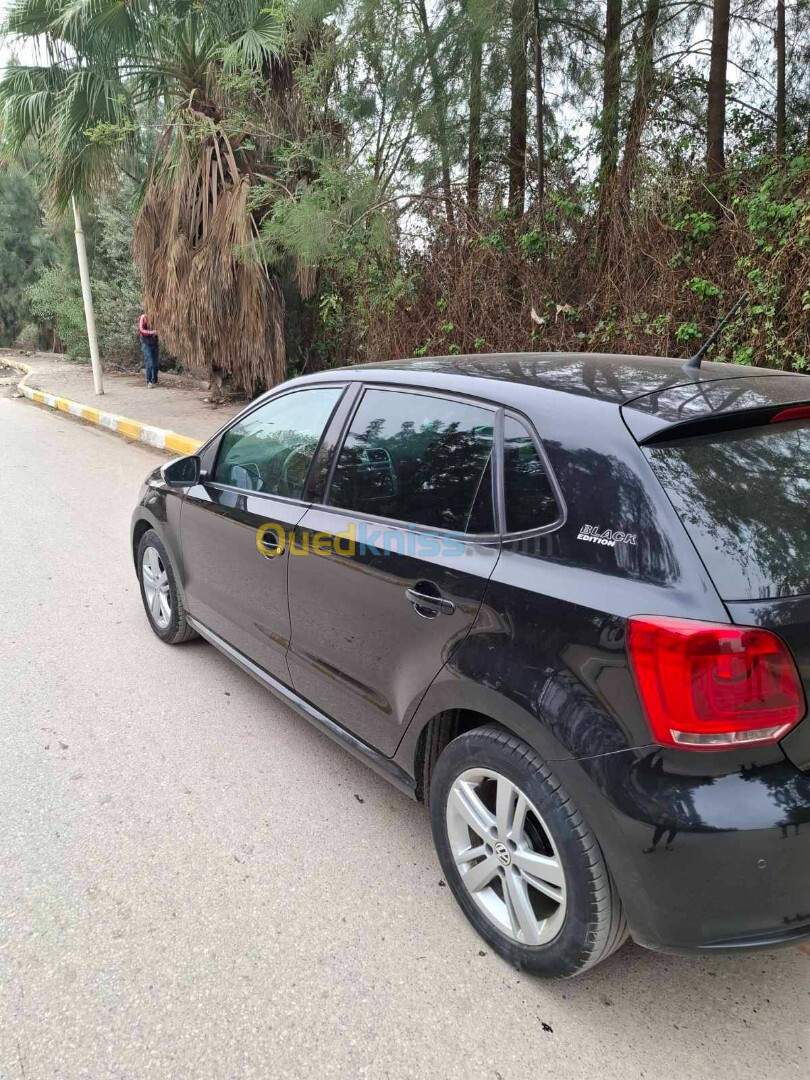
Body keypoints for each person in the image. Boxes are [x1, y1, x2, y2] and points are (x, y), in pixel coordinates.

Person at [138, 312, 159, 388]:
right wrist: (152, 332)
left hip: (154, 343)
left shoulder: (157, 317)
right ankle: (149, 381)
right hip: (146, 343)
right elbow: (141, 330)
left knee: (155, 363)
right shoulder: (143, 317)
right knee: (149, 361)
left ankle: (154, 380)